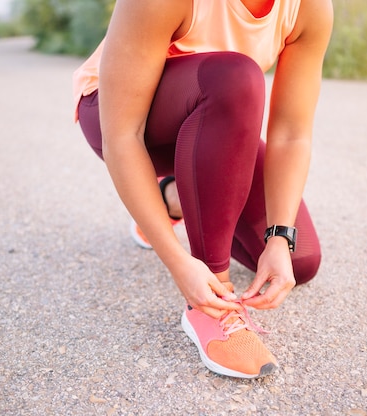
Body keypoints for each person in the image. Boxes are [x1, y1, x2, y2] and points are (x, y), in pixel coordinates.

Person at [73, 0, 333, 379]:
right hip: (120, 116)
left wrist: (279, 238)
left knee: (300, 260)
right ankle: (212, 307)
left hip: (212, 120)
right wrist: (180, 263)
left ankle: (175, 198)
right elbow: (122, 136)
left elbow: (291, 134)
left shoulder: (309, 8)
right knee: (236, 76)